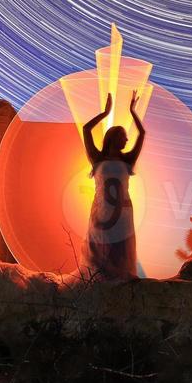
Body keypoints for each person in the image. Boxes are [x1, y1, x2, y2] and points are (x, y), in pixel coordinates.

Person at [81, 91, 145, 280]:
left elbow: (142, 134)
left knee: (121, 251)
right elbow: (86, 129)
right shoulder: (97, 158)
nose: (126, 140)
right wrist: (105, 113)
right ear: (113, 137)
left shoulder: (128, 160)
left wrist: (133, 111)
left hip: (123, 212)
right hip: (101, 211)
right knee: (101, 251)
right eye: (123, 136)